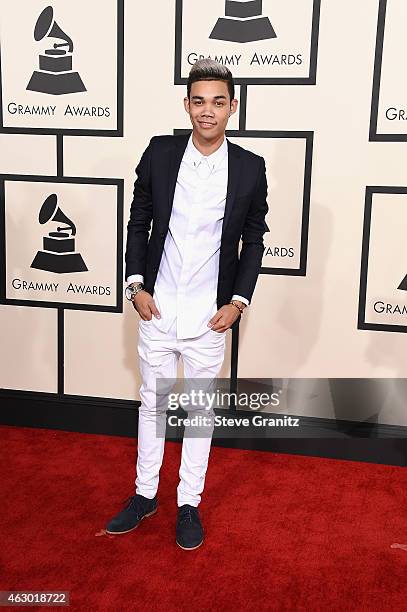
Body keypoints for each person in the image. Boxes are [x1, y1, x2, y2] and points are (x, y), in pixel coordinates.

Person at [106, 58, 269, 550]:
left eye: (218, 102)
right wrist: (136, 285)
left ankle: (188, 503)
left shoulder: (249, 167)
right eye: (199, 101)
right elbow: (139, 220)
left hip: (209, 316)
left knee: (199, 412)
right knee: (151, 406)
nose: (207, 111)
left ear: (232, 107)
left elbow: (255, 238)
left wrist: (238, 302)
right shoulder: (159, 153)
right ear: (187, 105)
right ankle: (144, 495)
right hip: (157, 308)